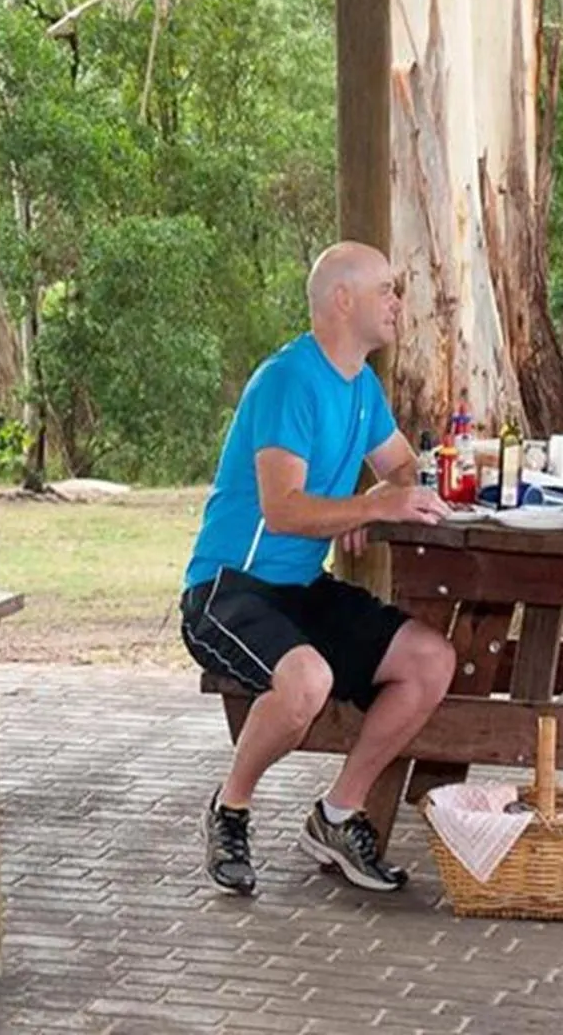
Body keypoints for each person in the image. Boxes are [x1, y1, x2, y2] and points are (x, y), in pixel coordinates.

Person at [180, 240, 456, 898]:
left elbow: (403, 468)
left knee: (431, 661)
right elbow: (282, 510)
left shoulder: (362, 387)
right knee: (307, 681)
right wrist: (362, 505)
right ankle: (231, 808)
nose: (396, 303)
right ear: (343, 299)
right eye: (386, 289)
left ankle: (337, 815)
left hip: (302, 588)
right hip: (230, 588)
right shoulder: (288, 381)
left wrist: (371, 501)